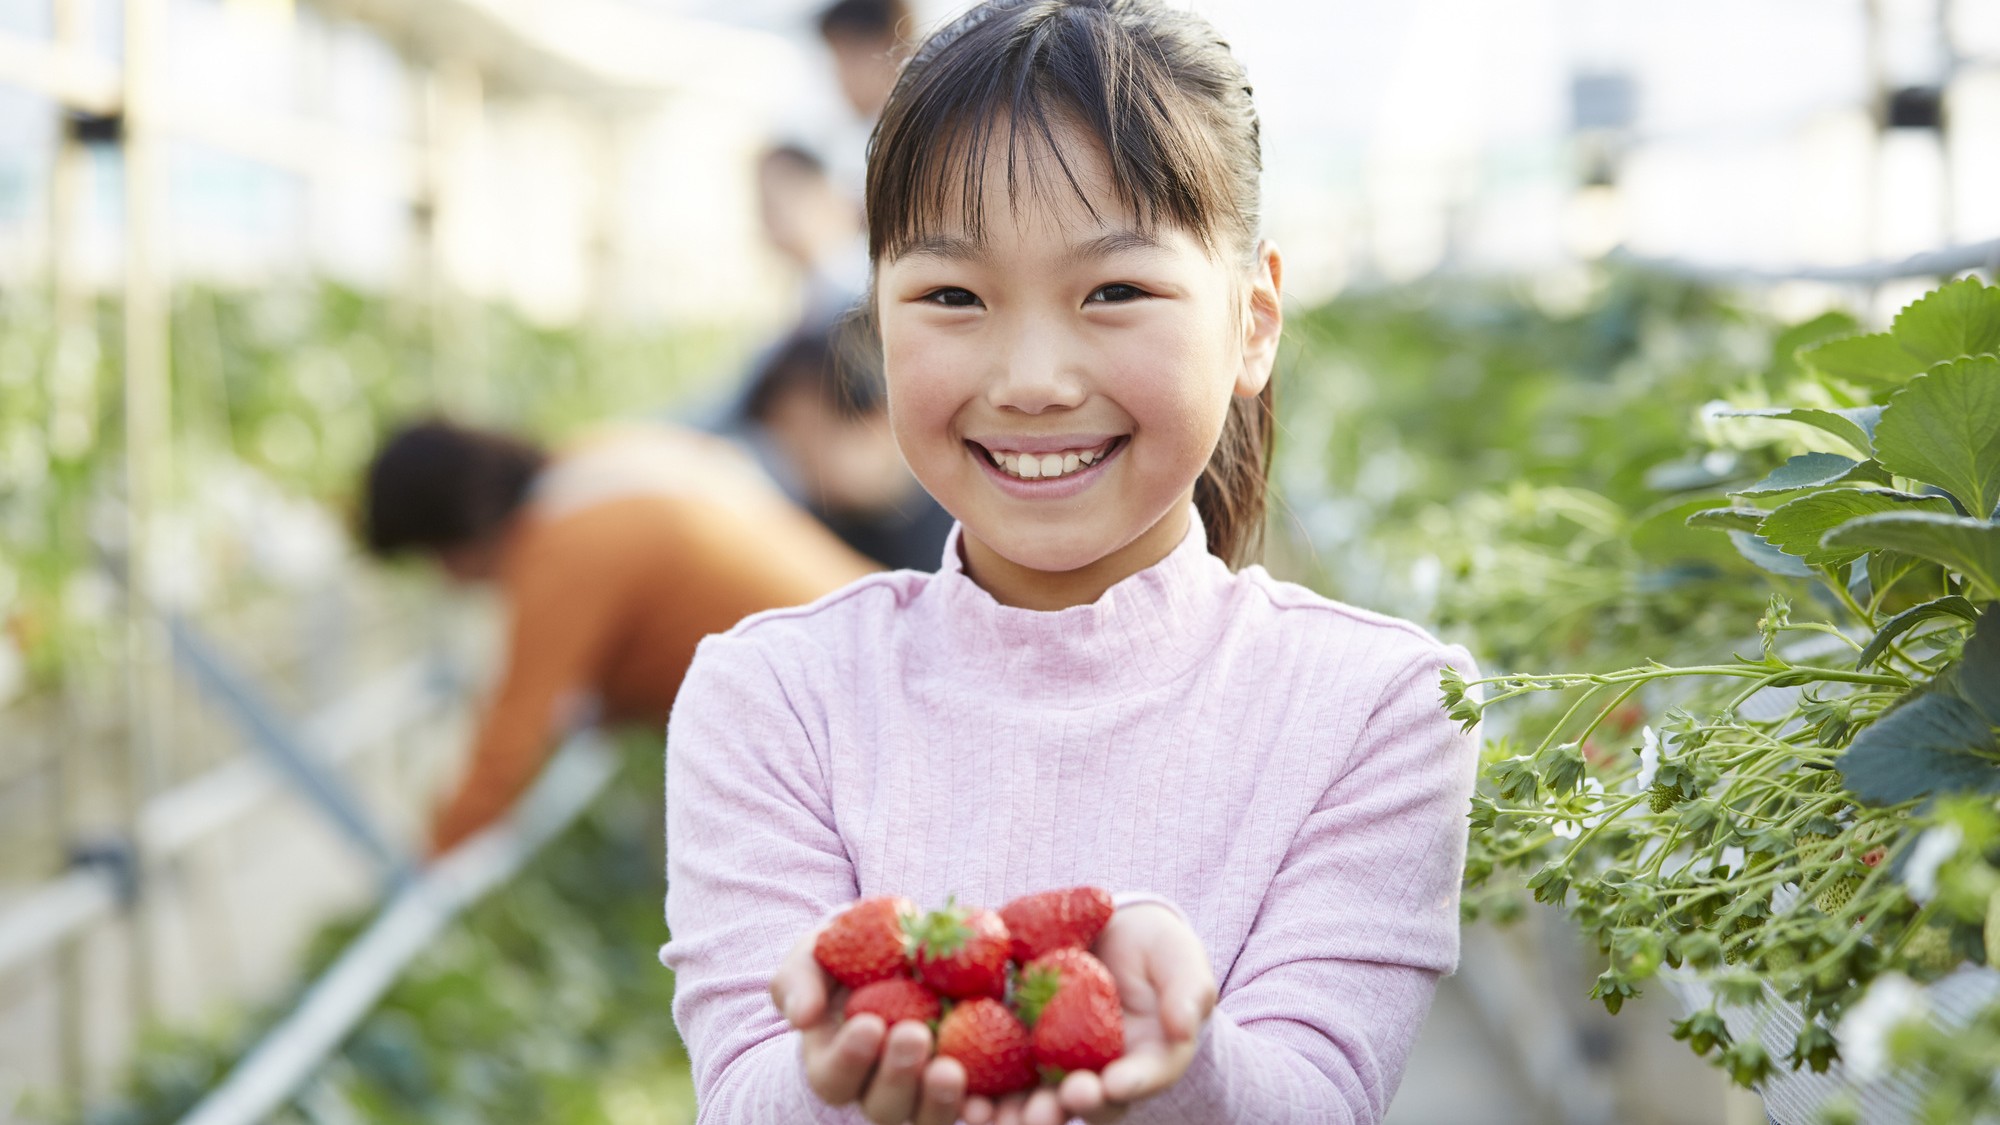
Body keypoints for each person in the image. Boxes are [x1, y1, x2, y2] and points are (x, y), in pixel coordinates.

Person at [661, 2, 1479, 1123]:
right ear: (875, 322)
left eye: (1114, 292)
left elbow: (1315, 1098)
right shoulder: (772, 697)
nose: (1032, 379)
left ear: (1251, 321)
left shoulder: (1375, 706)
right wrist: (838, 1070)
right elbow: (745, 1093)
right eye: (952, 296)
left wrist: (1165, 1036)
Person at [358, 419, 876, 855]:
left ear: (452, 533)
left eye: (431, 559)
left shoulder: (560, 554)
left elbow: (507, 751)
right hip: (873, 645)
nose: (447, 581)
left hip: (851, 719)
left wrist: (420, 869)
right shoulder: (593, 467)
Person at [740, 326, 954, 572]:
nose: (798, 461)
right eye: (786, 441)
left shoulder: (968, 529)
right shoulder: (806, 526)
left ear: (880, 418)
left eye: (812, 434)